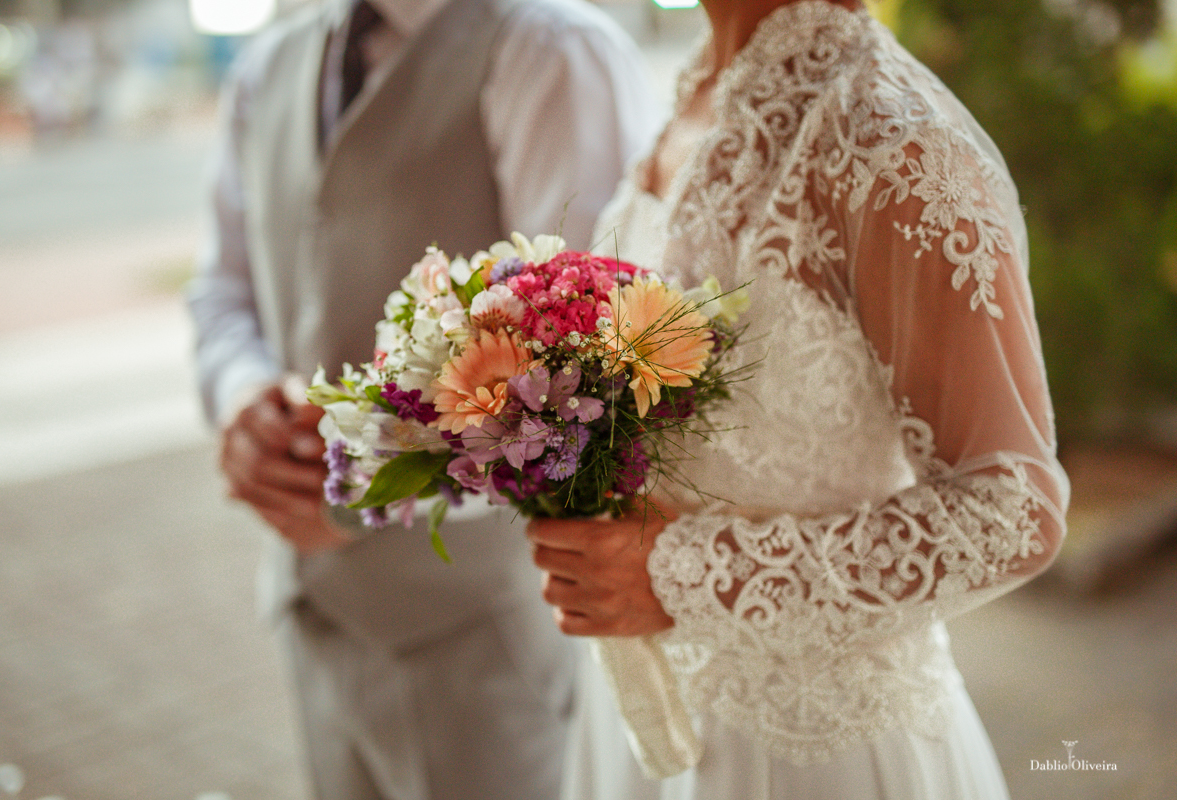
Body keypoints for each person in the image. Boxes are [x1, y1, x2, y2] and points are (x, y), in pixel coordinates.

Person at [527, 1, 1070, 798]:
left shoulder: (892, 141)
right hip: (645, 722)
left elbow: (1013, 510)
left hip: (809, 752)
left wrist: (684, 576)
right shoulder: (703, 90)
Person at [186, 1, 661, 798]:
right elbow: (224, 292)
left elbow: (591, 373)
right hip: (312, 615)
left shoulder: (551, 50)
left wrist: (363, 489)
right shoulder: (268, 64)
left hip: (484, 638)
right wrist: (240, 398)